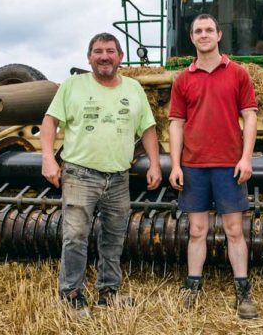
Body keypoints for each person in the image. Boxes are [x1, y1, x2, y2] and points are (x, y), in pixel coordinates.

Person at [40, 32, 162, 319]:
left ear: (120, 57)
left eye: (110, 50)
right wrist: (47, 157)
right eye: (97, 51)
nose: (104, 56)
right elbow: (50, 121)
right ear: (89, 58)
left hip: (119, 177)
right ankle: (72, 294)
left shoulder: (133, 88)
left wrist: (155, 164)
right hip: (80, 175)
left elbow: (148, 129)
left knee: (114, 237)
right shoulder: (73, 85)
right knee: (75, 236)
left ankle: (109, 291)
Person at [168, 14, 259, 319]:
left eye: (209, 30)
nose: (204, 35)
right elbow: (177, 124)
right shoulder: (183, 79)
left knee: (234, 230)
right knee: (197, 230)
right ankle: (193, 284)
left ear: (219, 34)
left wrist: (246, 158)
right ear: (192, 38)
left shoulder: (238, 74)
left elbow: (249, 116)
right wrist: (176, 164)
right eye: (198, 31)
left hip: (228, 165)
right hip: (194, 165)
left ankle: (243, 290)